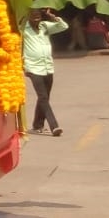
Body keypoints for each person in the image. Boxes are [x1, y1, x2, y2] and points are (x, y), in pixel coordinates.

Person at [22, 7, 69, 136]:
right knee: (43, 97)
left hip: (47, 66)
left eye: (38, 15)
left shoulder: (45, 26)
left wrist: (53, 17)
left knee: (44, 97)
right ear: (28, 16)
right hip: (32, 67)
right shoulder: (23, 29)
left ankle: (37, 125)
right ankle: (54, 126)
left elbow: (63, 26)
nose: (36, 17)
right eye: (33, 15)